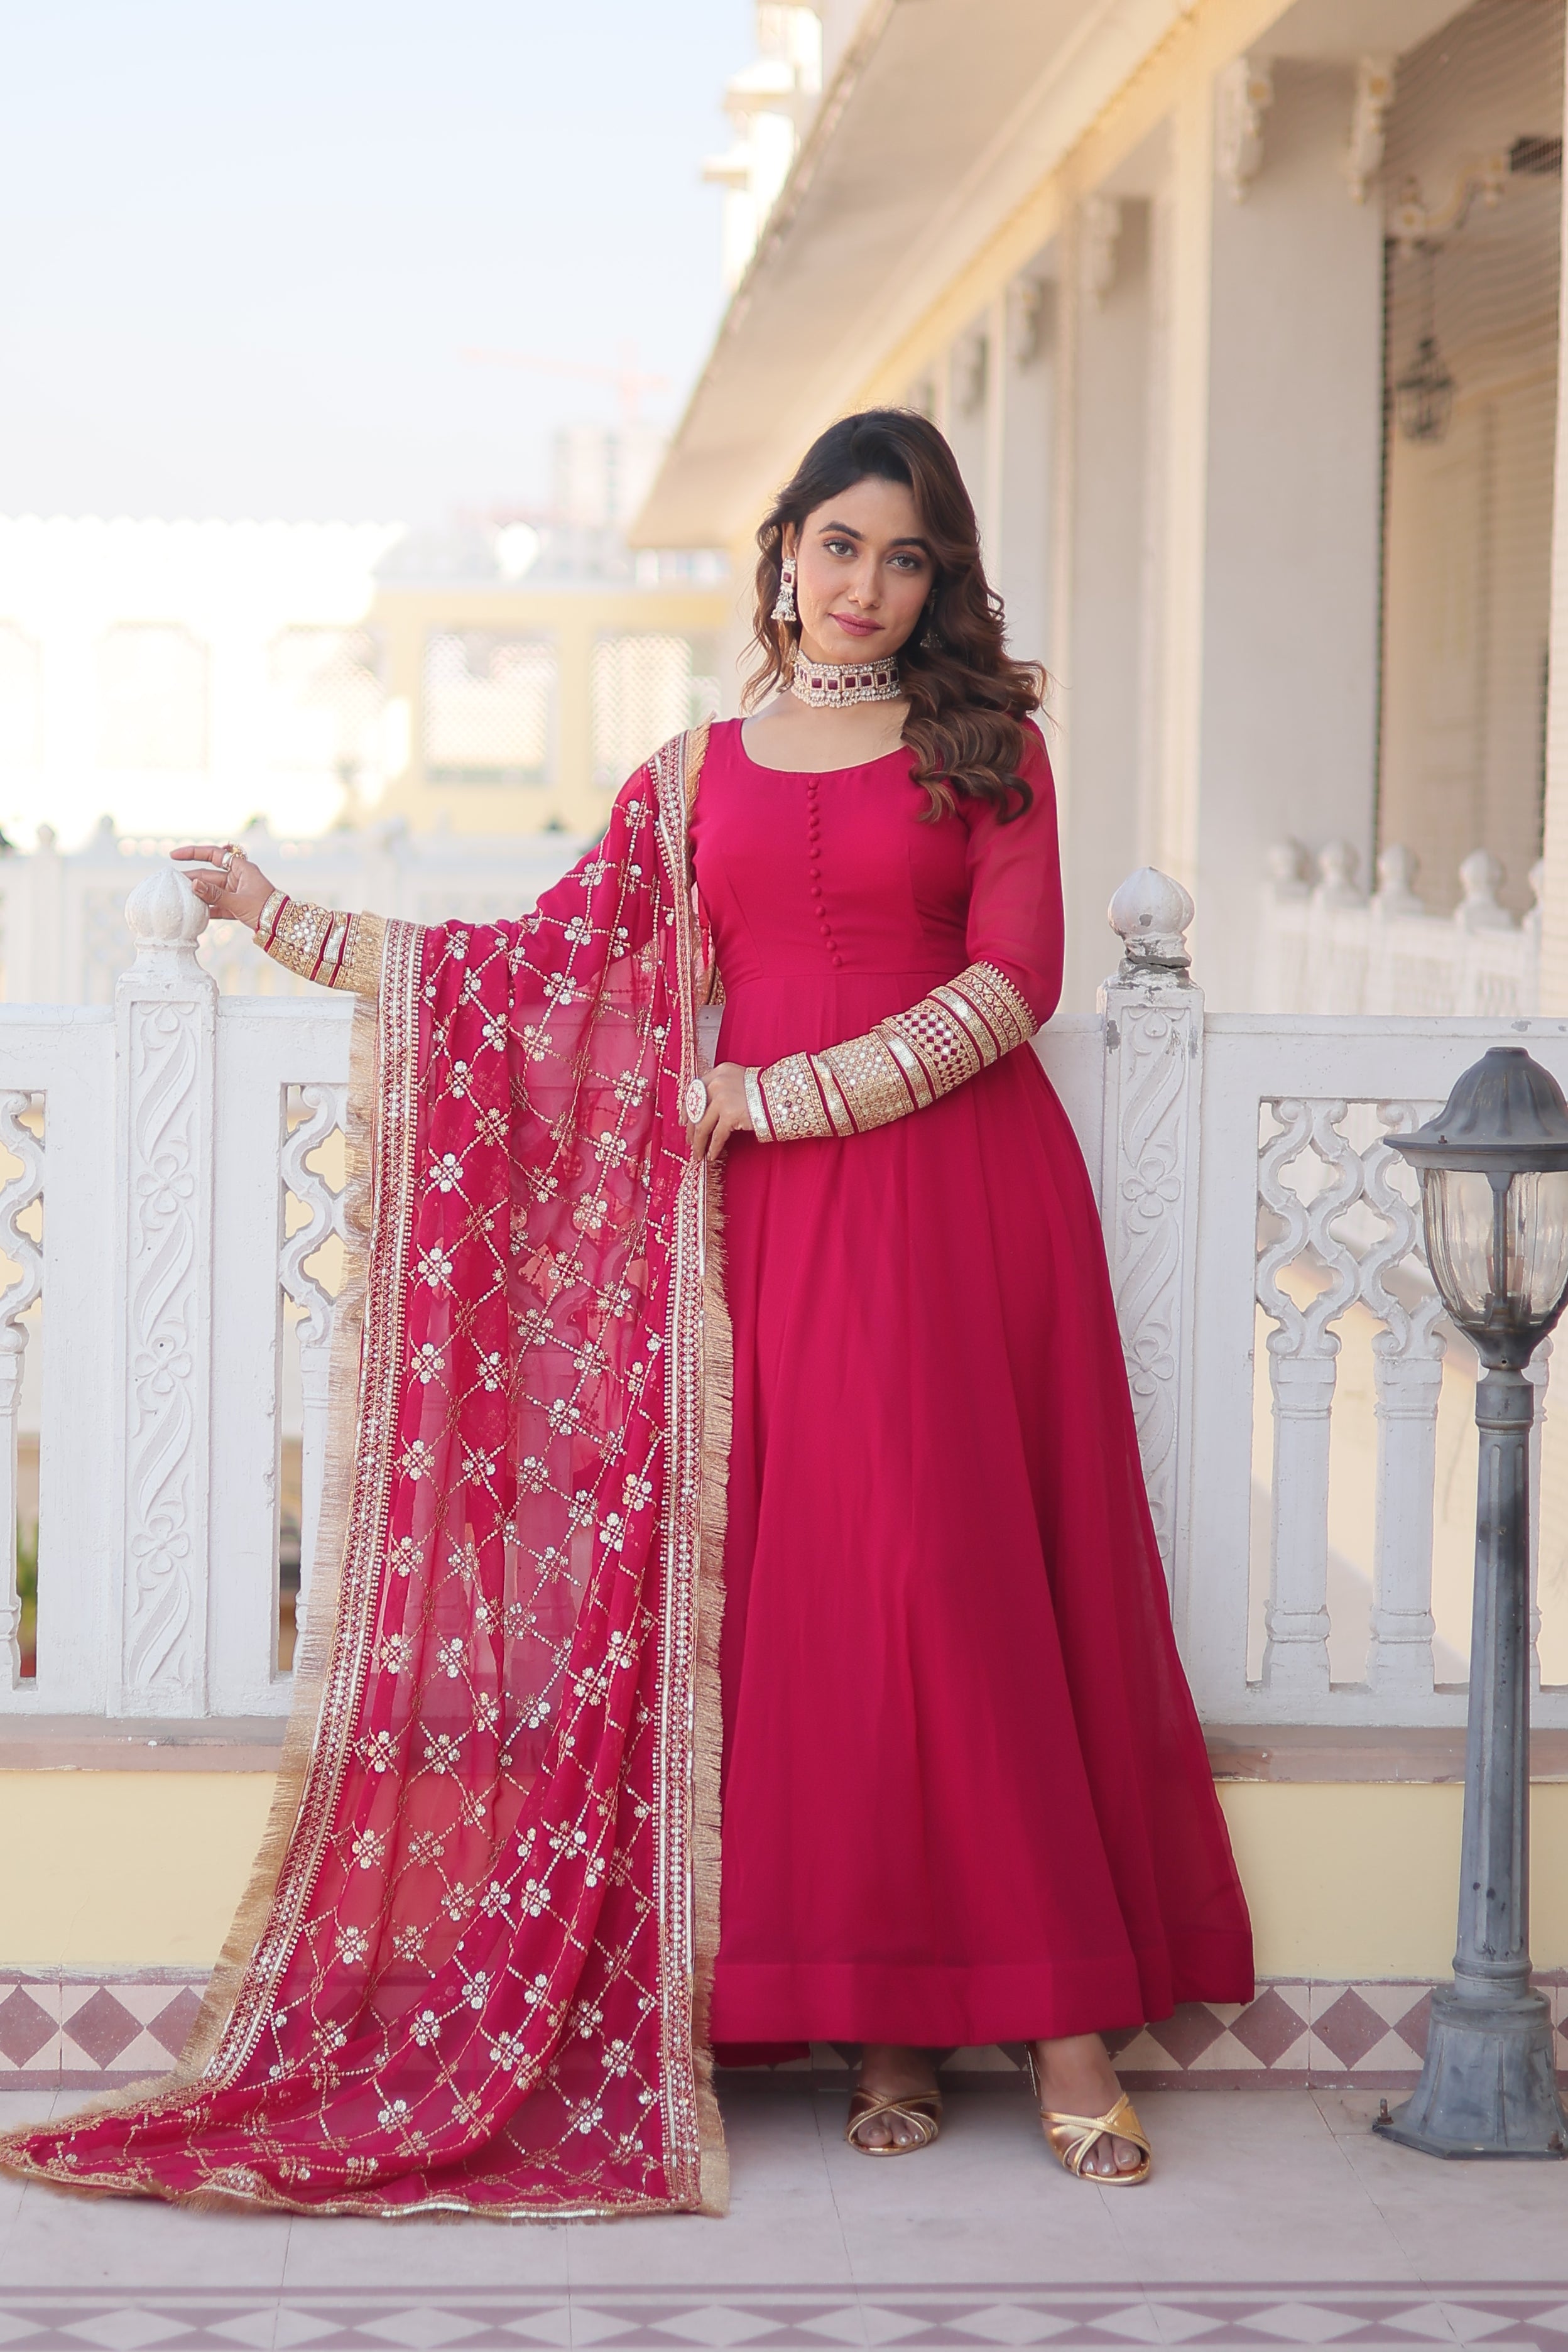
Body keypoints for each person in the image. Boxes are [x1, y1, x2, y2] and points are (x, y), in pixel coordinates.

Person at [0, 410, 1249, 2219]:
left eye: (906, 558)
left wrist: (783, 1095)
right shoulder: (690, 778)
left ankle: (1067, 2034)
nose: (867, 587)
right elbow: (544, 966)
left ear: (942, 577)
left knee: (955, 1585)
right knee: (812, 1601)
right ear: (785, 549)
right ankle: (880, 2027)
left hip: (958, 1210)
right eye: (840, 546)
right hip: (765, 1242)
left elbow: (1016, 979)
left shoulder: (989, 749)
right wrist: (287, 920)